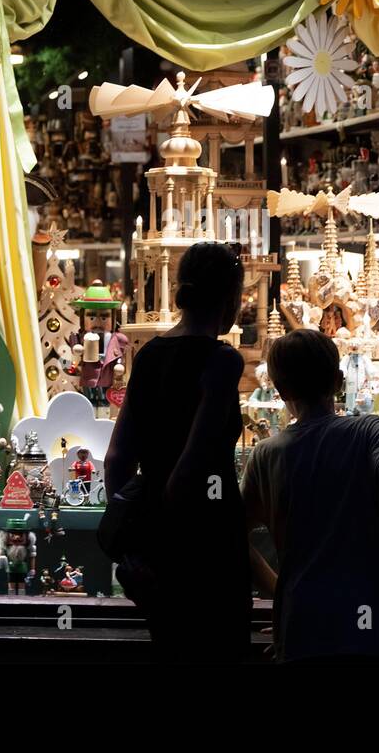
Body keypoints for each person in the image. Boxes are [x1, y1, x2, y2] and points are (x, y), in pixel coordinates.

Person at [104, 242, 250, 661]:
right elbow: (195, 460)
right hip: (207, 534)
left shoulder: (150, 354)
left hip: (154, 538)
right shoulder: (222, 360)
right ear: (230, 298)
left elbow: (117, 458)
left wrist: (132, 544)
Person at [241, 329, 379, 663]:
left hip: (302, 618)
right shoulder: (366, 430)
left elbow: (233, 537)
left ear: (279, 391)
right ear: (340, 382)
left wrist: (280, 588)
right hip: (366, 613)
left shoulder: (265, 454)